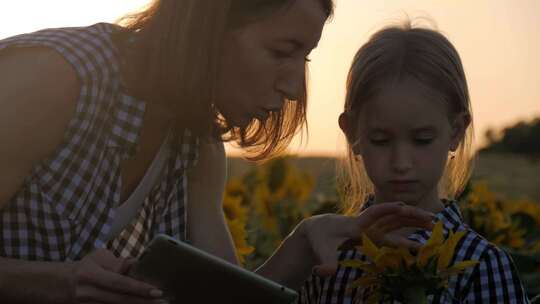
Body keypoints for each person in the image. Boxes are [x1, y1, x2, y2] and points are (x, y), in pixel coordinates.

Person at [0, 1, 436, 303]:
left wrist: (303, 243)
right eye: (282, 51)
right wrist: (59, 285)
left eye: (303, 59)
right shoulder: (51, 80)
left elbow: (226, 298)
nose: (293, 87)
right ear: (208, 24)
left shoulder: (198, 149)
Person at [299, 21, 531, 303]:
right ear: (351, 133)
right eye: (381, 140)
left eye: (421, 140)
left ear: (456, 132)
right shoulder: (329, 257)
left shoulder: (480, 267)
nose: (401, 163)